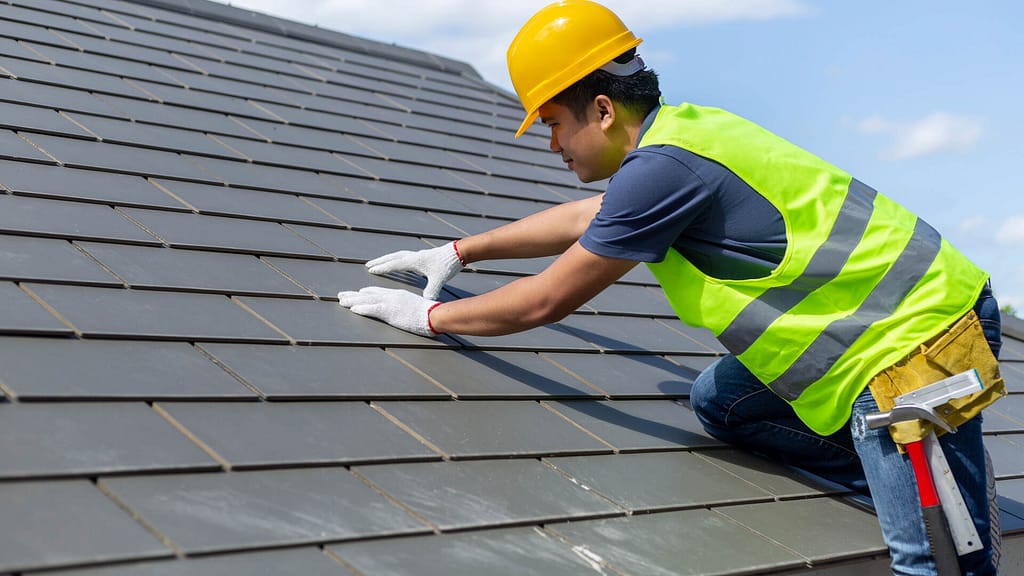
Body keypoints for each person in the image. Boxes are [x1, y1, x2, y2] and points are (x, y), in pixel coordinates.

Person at [338, 1, 1005, 573]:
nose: (551, 145)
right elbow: (584, 218)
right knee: (722, 402)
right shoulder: (679, 138)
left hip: (916, 346)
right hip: (883, 331)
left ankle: (938, 503)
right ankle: (916, 483)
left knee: (937, 562)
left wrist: (428, 320)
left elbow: (547, 300)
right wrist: (458, 252)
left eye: (552, 123)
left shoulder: (663, 169)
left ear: (600, 109)